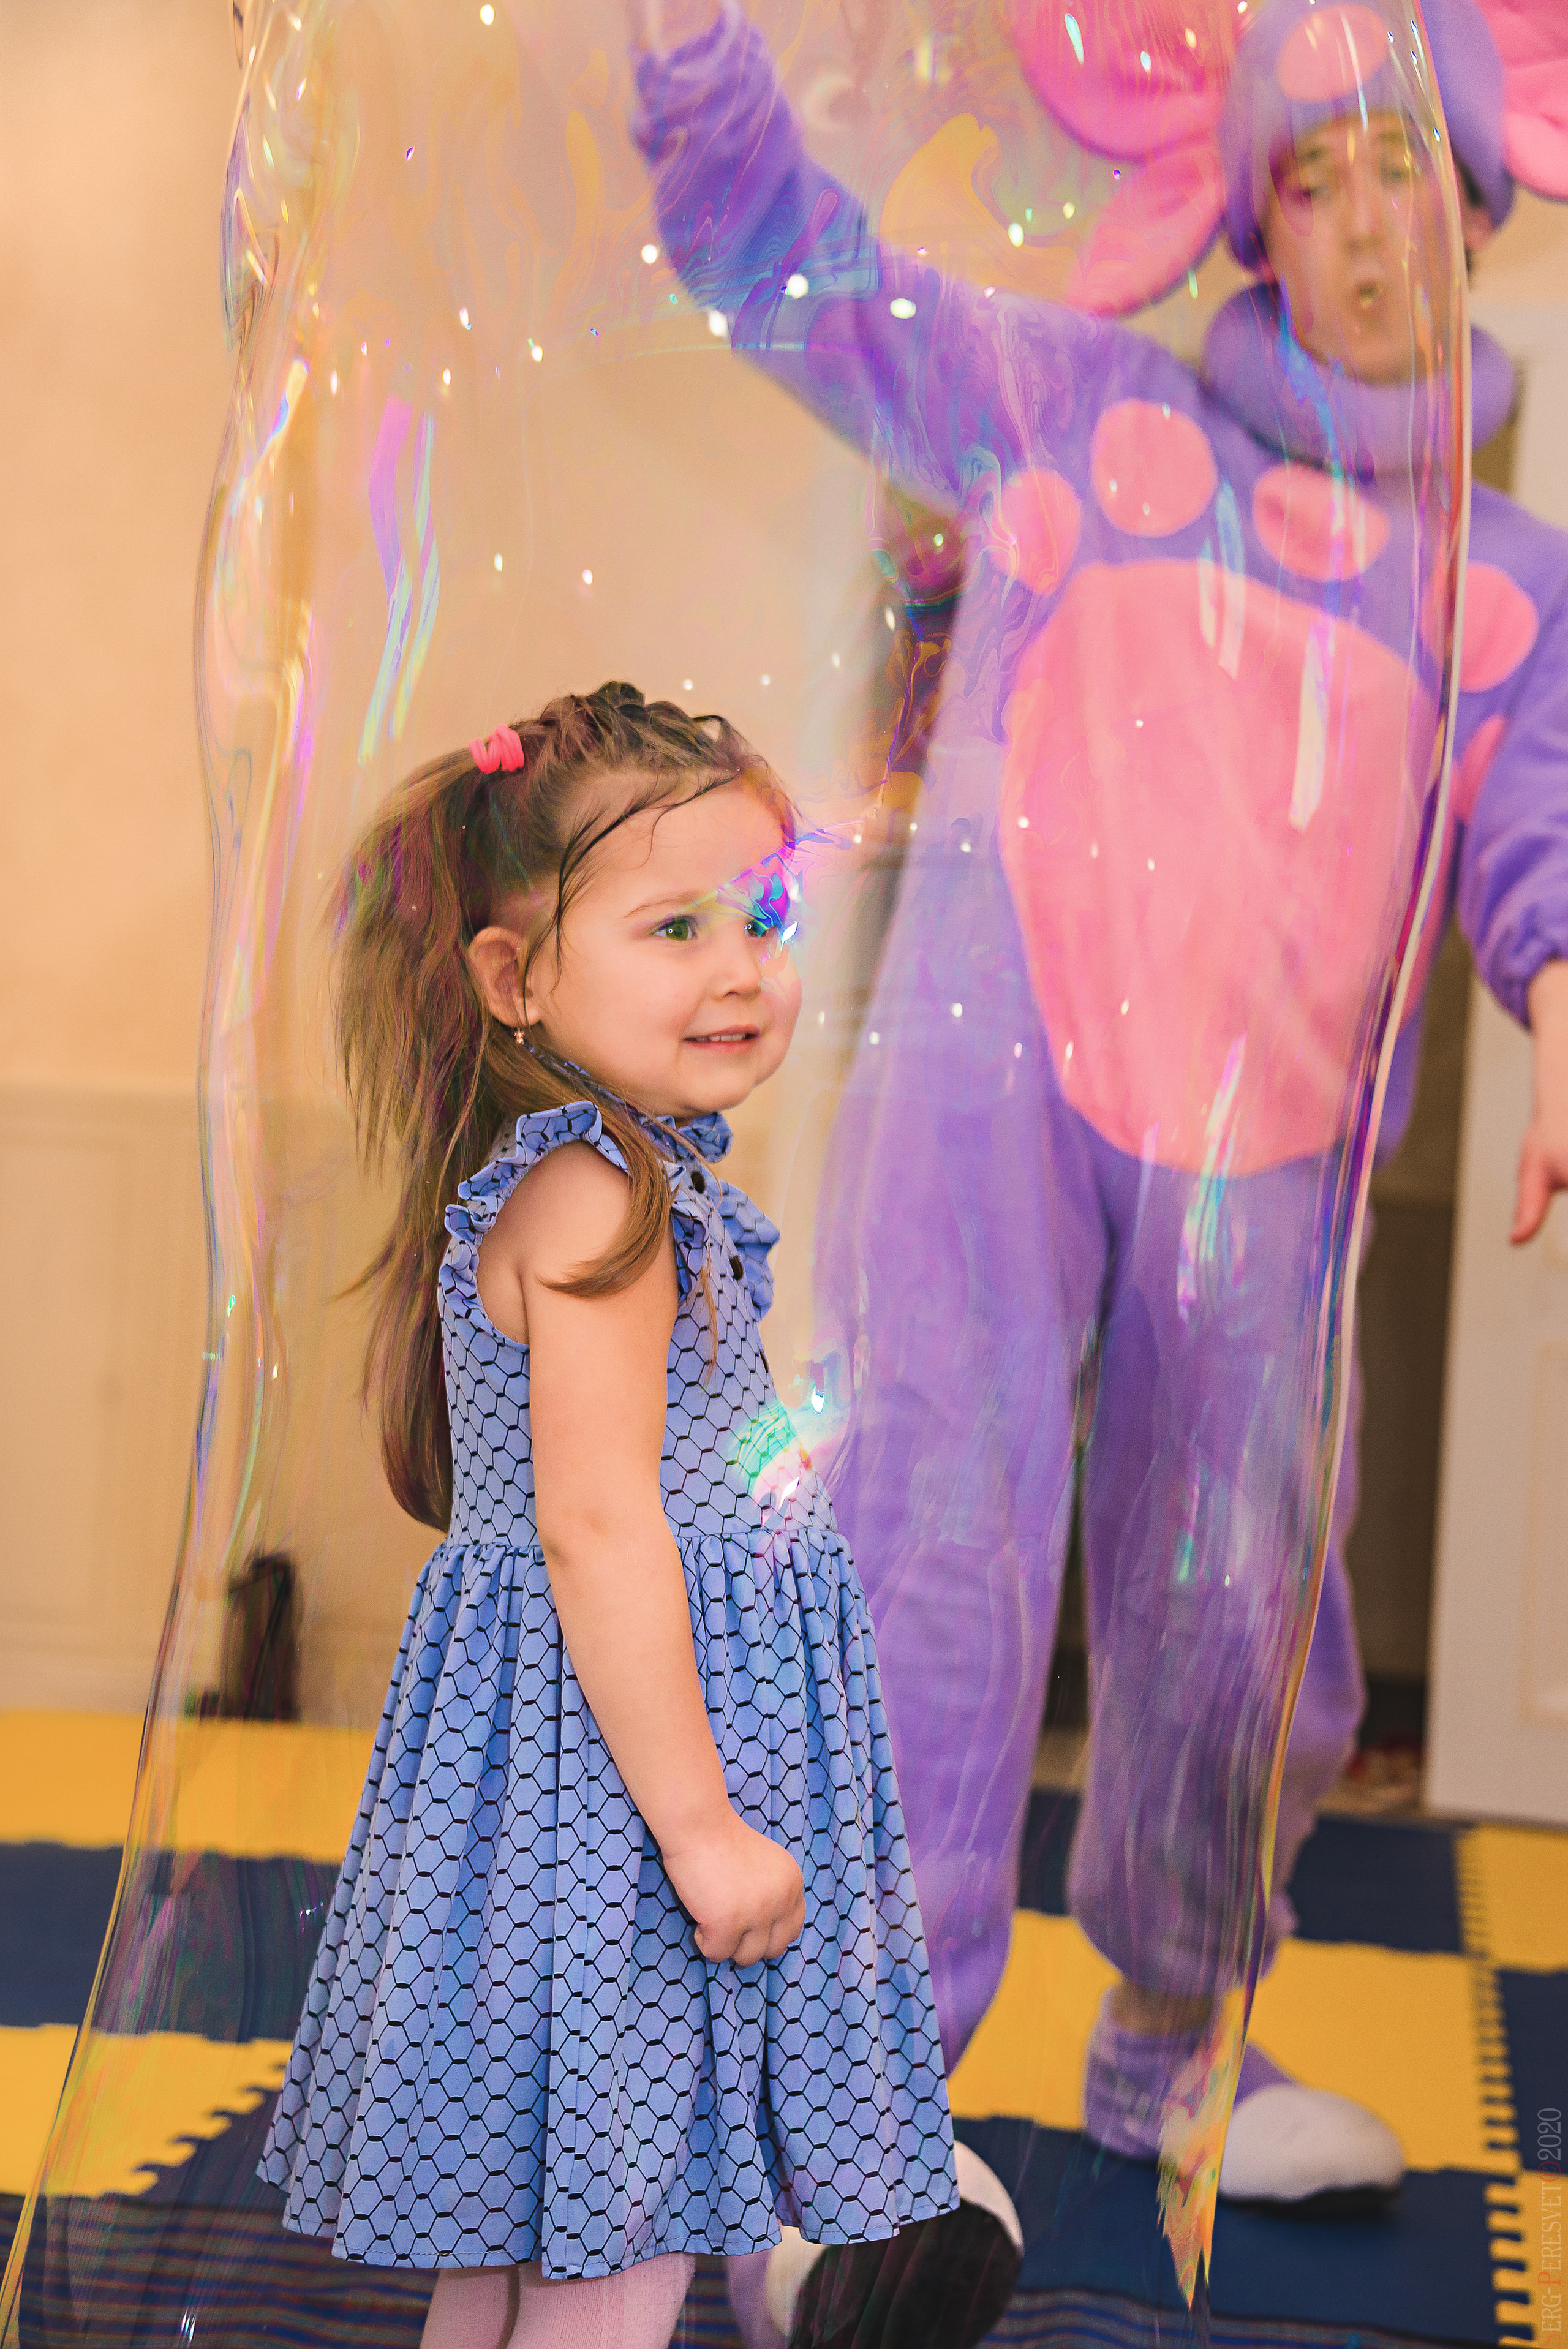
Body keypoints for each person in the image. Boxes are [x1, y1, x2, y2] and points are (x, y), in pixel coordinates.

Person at [627, 0, 1568, 2288]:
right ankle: (852, 2108)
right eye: (1309, 177)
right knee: (928, 1563)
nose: (1359, 227)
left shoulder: (1509, 579)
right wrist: (693, 62)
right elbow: (798, 269)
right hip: (995, 1105)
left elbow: (1541, 833)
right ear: (1254, 215)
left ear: (1483, 204)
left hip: (1273, 1163)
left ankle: (1179, 2058)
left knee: (1243, 1607)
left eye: (1395, 175)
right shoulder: (1085, 408)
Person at [257, 685, 968, 2348]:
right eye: (675, 925)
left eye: (765, 915)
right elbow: (598, 1524)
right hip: (620, 1803)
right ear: (516, 980)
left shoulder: (611, 1177)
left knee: (522, 2249)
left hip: (570, 1781)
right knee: (616, 2241)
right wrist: (705, 1829)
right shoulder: (607, 1202)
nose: (741, 964)